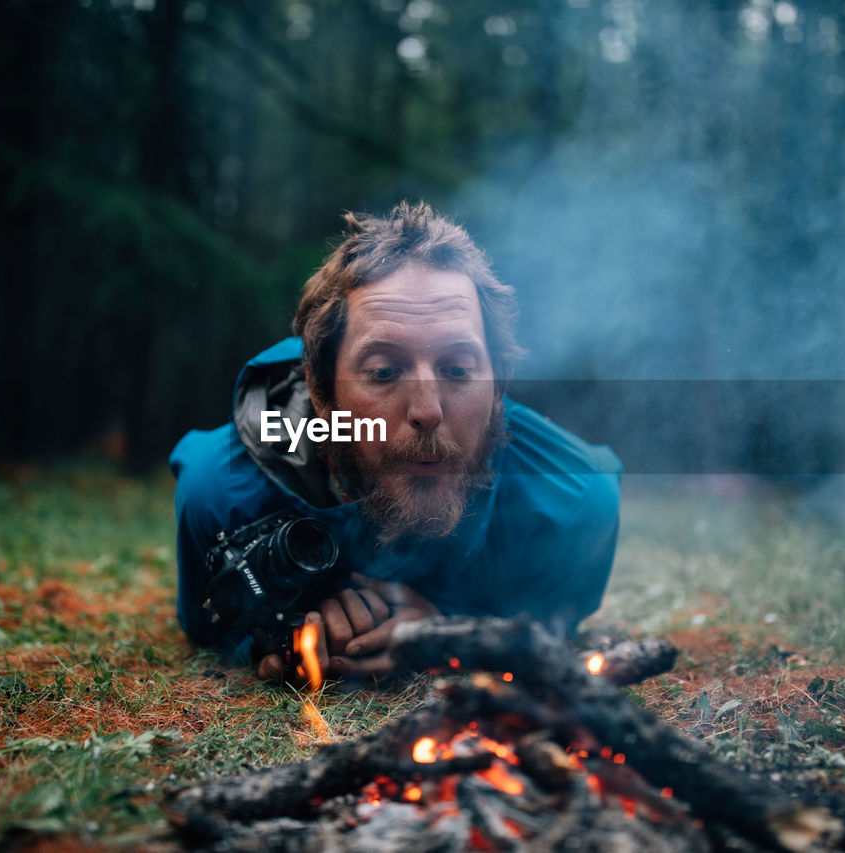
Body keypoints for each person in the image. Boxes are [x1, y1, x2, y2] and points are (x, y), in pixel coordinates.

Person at [170, 202, 621, 681]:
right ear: (320, 393)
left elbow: (551, 625)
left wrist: (454, 632)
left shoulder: (571, 504)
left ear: (498, 388)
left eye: (457, 370)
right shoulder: (226, 496)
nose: (427, 412)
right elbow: (209, 622)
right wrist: (280, 630)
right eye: (384, 372)